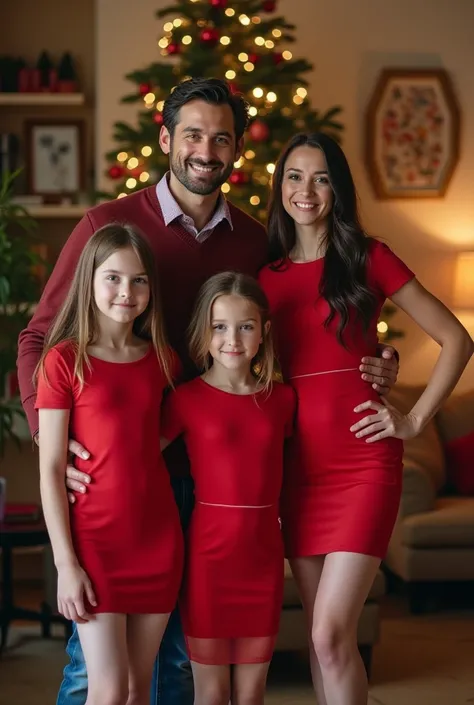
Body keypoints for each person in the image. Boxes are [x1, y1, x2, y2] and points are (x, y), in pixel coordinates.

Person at [17, 78, 399, 705]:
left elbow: (300, 322)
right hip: (122, 473)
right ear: (166, 138)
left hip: (214, 473)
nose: (206, 149)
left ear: (235, 151)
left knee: (178, 664)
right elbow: (39, 339)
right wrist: (52, 442)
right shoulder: (107, 227)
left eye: (221, 138)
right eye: (192, 134)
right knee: (96, 675)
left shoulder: (255, 241)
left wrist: (375, 357)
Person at [258, 132, 474, 705]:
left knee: (331, 633)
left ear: (339, 189)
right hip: (296, 470)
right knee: (319, 640)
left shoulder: (367, 256)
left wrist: (414, 420)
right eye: (295, 177)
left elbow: (456, 338)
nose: (306, 190)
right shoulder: (264, 273)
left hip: (362, 462)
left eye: (322, 177)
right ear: (279, 187)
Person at [35, 224, 184, 705]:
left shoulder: (163, 360)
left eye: (139, 280)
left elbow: (151, 439)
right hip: (95, 543)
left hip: (158, 538)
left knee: (141, 690)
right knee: (107, 689)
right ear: (90, 281)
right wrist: (65, 563)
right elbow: (51, 466)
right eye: (113, 277)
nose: (126, 291)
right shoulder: (64, 361)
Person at [161, 272, 295, 705]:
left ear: (264, 332)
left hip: (263, 559)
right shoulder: (184, 399)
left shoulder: (284, 399)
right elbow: (136, 460)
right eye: (219, 326)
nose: (231, 339)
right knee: (212, 695)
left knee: (252, 695)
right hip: (208, 560)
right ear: (205, 330)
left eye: (245, 326)